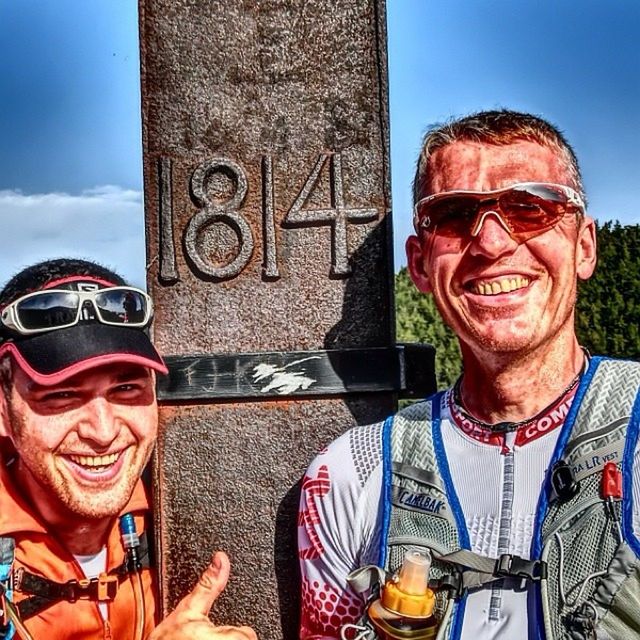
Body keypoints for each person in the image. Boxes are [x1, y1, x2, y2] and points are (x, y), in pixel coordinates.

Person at [298, 110, 640, 640]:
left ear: (584, 246)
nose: (492, 243)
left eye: (530, 207)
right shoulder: (349, 475)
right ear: (419, 264)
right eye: (455, 214)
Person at [0, 258, 256, 640]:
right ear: (4, 409)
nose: (103, 432)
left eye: (126, 389)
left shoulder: (175, 504)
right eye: (62, 395)